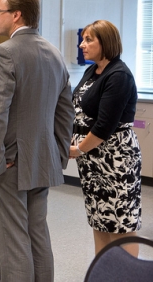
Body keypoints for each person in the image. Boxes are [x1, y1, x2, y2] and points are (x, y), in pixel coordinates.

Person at [0, 0, 74, 282]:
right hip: (42, 158)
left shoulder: (3, 53)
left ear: (16, 15)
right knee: (37, 235)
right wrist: (57, 153)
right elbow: (65, 112)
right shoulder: (54, 53)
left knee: (13, 243)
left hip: (10, 164)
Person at [69, 20, 142, 257]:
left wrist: (78, 149)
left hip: (115, 160)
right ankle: (104, 273)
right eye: (84, 39)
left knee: (122, 223)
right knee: (99, 220)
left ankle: (127, 275)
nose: (82, 44)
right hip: (92, 162)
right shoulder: (93, 70)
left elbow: (104, 126)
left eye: (89, 40)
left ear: (106, 43)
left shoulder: (119, 75)